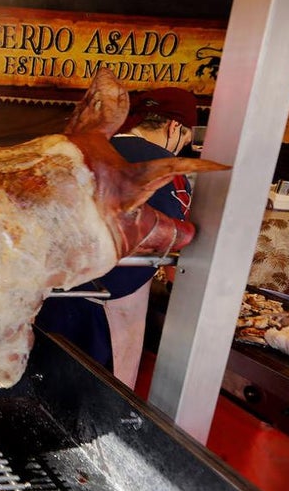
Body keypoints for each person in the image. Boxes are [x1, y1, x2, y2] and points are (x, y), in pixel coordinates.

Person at [33, 86, 197, 388]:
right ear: (174, 127)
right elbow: (162, 243)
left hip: (46, 298)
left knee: (40, 387)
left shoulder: (77, 151)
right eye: (185, 140)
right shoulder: (166, 170)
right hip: (104, 308)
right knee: (93, 404)